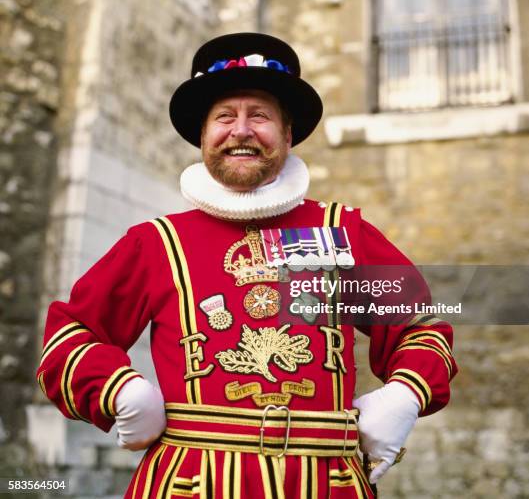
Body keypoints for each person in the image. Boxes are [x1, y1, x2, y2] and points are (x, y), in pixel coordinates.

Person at [37, 33, 457, 498]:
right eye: (224, 117)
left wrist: (405, 393)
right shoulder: (155, 243)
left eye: (259, 115)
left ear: (288, 134)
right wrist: (118, 389)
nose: (241, 131)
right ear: (203, 135)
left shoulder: (341, 231)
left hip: (326, 484)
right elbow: (70, 334)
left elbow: (421, 327)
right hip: (189, 487)